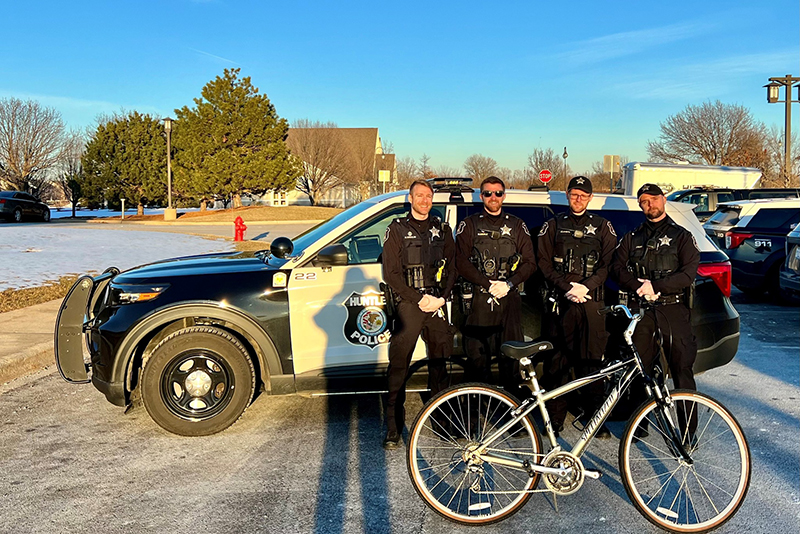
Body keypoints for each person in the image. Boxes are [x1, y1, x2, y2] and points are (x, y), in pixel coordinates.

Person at [610, 183, 700, 434]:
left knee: (682, 370)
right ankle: (640, 427)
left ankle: (688, 431)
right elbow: (617, 268)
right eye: (644, 202)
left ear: (663, 200)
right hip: (642, 311)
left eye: (653, 199)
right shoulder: (632, 236)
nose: (650, 205)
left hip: (672, 309)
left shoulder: (682, 236)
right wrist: (638, 286)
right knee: (641, 369)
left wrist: (656, 285)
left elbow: (688, 274)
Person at [537, 176, 617, 438]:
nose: (578, 198)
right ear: (567, 195)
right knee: (556, 362)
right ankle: (555, 419)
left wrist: (587, 286)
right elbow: (544, 264)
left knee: (592, 361)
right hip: (560, 302)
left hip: (591, 302)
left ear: (590, 197)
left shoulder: (603, 227)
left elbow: (607, 264)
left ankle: (595, 418)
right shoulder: (553, 226)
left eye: (583, 194)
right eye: (574, 194)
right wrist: (567, 287)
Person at [381, 180, 457, 450]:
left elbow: (453, 268)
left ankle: (443, 421)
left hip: (436, 302)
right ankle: (393, 425)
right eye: (419, 196)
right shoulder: (397, 229)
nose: (424, 200)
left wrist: (441, 298)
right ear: (410, 198)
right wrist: (418, 298)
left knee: (441, 364)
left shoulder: (443, 229)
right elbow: (390, 274)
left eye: (428, 196)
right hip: (410, 303)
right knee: (399, 364)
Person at [455, 176, 536, 397]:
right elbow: (459, 261)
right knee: (477, 363)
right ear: (481, 196)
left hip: (509, 302)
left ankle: (513, 419)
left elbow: (531, 262)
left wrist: (508, 284)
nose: (493, 197)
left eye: (498, 193)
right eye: (488, 193)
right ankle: (474, 420)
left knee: (510, 363)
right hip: (478, 302)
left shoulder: (517, 225)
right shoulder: (469, 224)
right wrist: (486, 283)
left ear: (504, 195)